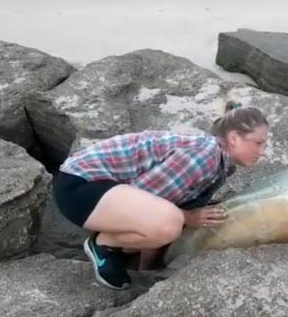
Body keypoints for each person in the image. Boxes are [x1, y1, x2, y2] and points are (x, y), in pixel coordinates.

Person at [52, 101, 269, 290]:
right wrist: (189, 217)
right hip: (80, 186)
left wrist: (147, 271)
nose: (263, 150)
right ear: (234, 138)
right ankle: (103, 244)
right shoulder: (204, 157)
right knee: (173, 221)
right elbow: (148, 200)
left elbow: (158, 206)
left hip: (105, 193)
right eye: (259, 142)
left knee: (171, 221)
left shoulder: (222, 165)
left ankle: (121, 249)